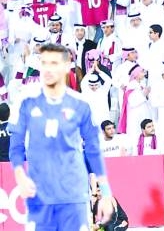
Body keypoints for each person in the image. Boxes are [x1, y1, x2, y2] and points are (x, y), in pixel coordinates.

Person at [10, 43, 115, 230]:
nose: (48, 69)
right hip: (40, 194)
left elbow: (93, 150)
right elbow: (16, 146)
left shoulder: (81, 104)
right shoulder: (25, 102)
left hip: (73, 194)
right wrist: (20, 175)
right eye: (44, 63)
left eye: (54, 63)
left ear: (67, 67)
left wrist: (105, 193)